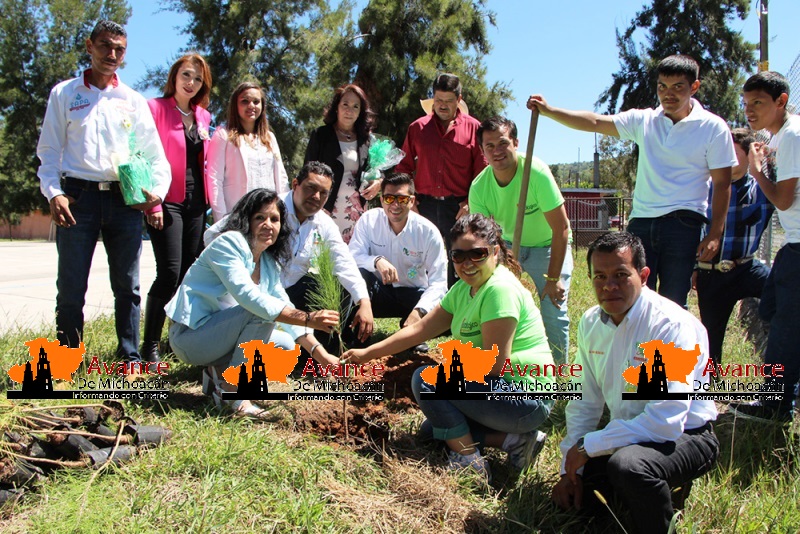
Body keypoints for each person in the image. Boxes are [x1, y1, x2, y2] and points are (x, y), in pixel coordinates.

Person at [343, 214, 553, 480]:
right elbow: (419, 330)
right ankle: (516, 441)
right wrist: (367, 353)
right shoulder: (464, 290)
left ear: (495, 252)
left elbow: (494, 365)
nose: (467, 263)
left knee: (427, 381)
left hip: (525, 397)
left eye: (477, 254)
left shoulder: (499, 290)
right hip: (501, 393)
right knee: (433, 431)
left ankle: (470, 464)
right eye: (458, 256)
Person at [528, 55, 736, 308]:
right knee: (635, 297)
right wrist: (550, 111)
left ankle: (666, 336)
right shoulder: (644, 120)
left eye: (677, 87)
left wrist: (714, 234)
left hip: (684, 224)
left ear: (694, 87)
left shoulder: (713, 127)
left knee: (673, 301)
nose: (668, 94)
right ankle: (636, 336)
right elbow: (595, 121)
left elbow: (722, 183)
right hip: (642, 222)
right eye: (662, 87)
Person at [553, 232, 718, 534]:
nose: (609, 286)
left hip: (686, 435)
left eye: (620, 275)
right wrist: (570, 469)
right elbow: (584, 402)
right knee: (582, 496)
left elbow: (665, 422)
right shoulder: (590, 322)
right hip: (630, 432)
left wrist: (589, 446)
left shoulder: (668, 325)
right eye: (599, 277)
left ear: (643, 276)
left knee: (629, 467)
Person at [36, 20, 170, 363]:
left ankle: (129, 357)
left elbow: (155, 154)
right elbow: (48, 152)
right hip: (77, 197)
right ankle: (68, 358)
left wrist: (155, 194)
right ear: (89, 46)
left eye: (119, 49)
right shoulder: (65, 94)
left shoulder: (132, 100)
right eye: (105, 46)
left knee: (128, 286)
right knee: (71, 285)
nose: (112, 54)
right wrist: (54, 193)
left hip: (124, 200)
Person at [166, 189, 340, 417]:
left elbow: (283, 304)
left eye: (275, 219)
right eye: (260, 217)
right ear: (246, 220)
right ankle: (232, 391)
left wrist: (321, 355)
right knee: (260, 312)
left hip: (218, 337)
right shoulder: (228, 243)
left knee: (286, 345)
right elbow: (250, 298)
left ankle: (218, 372)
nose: (268, 225)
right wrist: (307, 318)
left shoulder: (267, 261)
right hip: (190, 338)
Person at [470, 116, 572, 364]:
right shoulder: (479, 187)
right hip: (507, 248)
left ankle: (558, 372)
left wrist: (553, 279)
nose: (497, 151)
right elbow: (482, 238)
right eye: (489, 146)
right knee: (497, 302)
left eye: (503, 143)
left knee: (553, 308)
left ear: (515, 143)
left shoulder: (536, 173)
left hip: (548, 246)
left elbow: (561, 228)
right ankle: (497, 363)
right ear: (482, 151)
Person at [729, 71, 800, 423]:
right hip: (793, 244)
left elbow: (783, 200)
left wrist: (757, 171)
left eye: (758, 102)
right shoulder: (780, 136)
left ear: (781, 101)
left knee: (785, 325)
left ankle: (776, 405)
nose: (749, 110)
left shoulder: (792, 136)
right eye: (746, 103)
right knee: (771, 309)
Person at [142, 53, 214, 364]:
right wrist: (153, 203)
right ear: (174, 76)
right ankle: (149, 345)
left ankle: (176, 339)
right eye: (186, 75)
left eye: (198, 79)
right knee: (169, 273)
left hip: (196, 203)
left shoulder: (203, 116)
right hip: (165, 200)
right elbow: (142, 155)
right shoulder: (154, 108)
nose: (191, 82)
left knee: (188, 273)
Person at [396, 73, 488, 286]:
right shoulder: (417, 128)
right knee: (422, 261)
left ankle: (459, 303)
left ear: (459, 99)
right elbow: (404, 167)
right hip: (423, 206)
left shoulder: (474, 128)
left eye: (448, 101)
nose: (443, 105)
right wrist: (409, 199)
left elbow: (482, 172)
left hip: (458, 208)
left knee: (460, 260)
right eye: (438, 100)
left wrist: (470, 202)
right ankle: (424, 303)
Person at [693, 128, 774, 367]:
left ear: (750, 157)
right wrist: (694, 267)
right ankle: (712, 379)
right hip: (712, 272)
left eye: (734, 154)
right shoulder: (704, 189)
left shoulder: (761, 189)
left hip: (747, 268)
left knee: (784, 295)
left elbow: (783, 187)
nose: (726, 159)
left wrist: (763, 164)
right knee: (711, 337)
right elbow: (693, 230)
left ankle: (781, 365)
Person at [348, 173, 448, 354]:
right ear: (381, 200)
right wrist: (376, 261)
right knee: (359, 275)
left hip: (413, 295)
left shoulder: (428, 232)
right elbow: (352, 257)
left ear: (412, 201)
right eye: (389, 198)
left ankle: (413, 333)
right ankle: (359, 336)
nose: (395, 205)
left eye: (402, 199)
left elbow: (439, 282)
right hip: (377, 293)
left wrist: (420, 311)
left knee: (447, 316)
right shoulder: (369, 220)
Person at [280, 161, 374, 353]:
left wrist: (364, 302)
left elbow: (343, 261)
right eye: (310, 188)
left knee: (339, 286)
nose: (316, 197)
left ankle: (321, 350)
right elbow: (221, 233)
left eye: (323, 193)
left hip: (294, 291)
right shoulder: (269, 210)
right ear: (295, 184)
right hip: (262, 292)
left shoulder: (323, 222)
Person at [304, 84, 377, 243]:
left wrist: (378, 181)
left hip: (356, 211)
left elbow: (375, 169)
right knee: (323, 251)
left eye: (355, 106)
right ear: (336, 107)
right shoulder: (321, 135)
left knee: (353, 253)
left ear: (361, 112)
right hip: (325, 208)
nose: (349, 110)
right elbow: (307, 172)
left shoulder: (366, 139)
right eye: (345, 104)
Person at [207, 82, 289, 222]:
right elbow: (214, 180)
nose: (251, 106)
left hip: (267, 216)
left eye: (256, 102)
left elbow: (281, 179)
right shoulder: (223, 135)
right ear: (235, 105)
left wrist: (283, 215)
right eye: (245, 101)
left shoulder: (269, 138)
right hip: (236, 216)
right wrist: (221, 220)